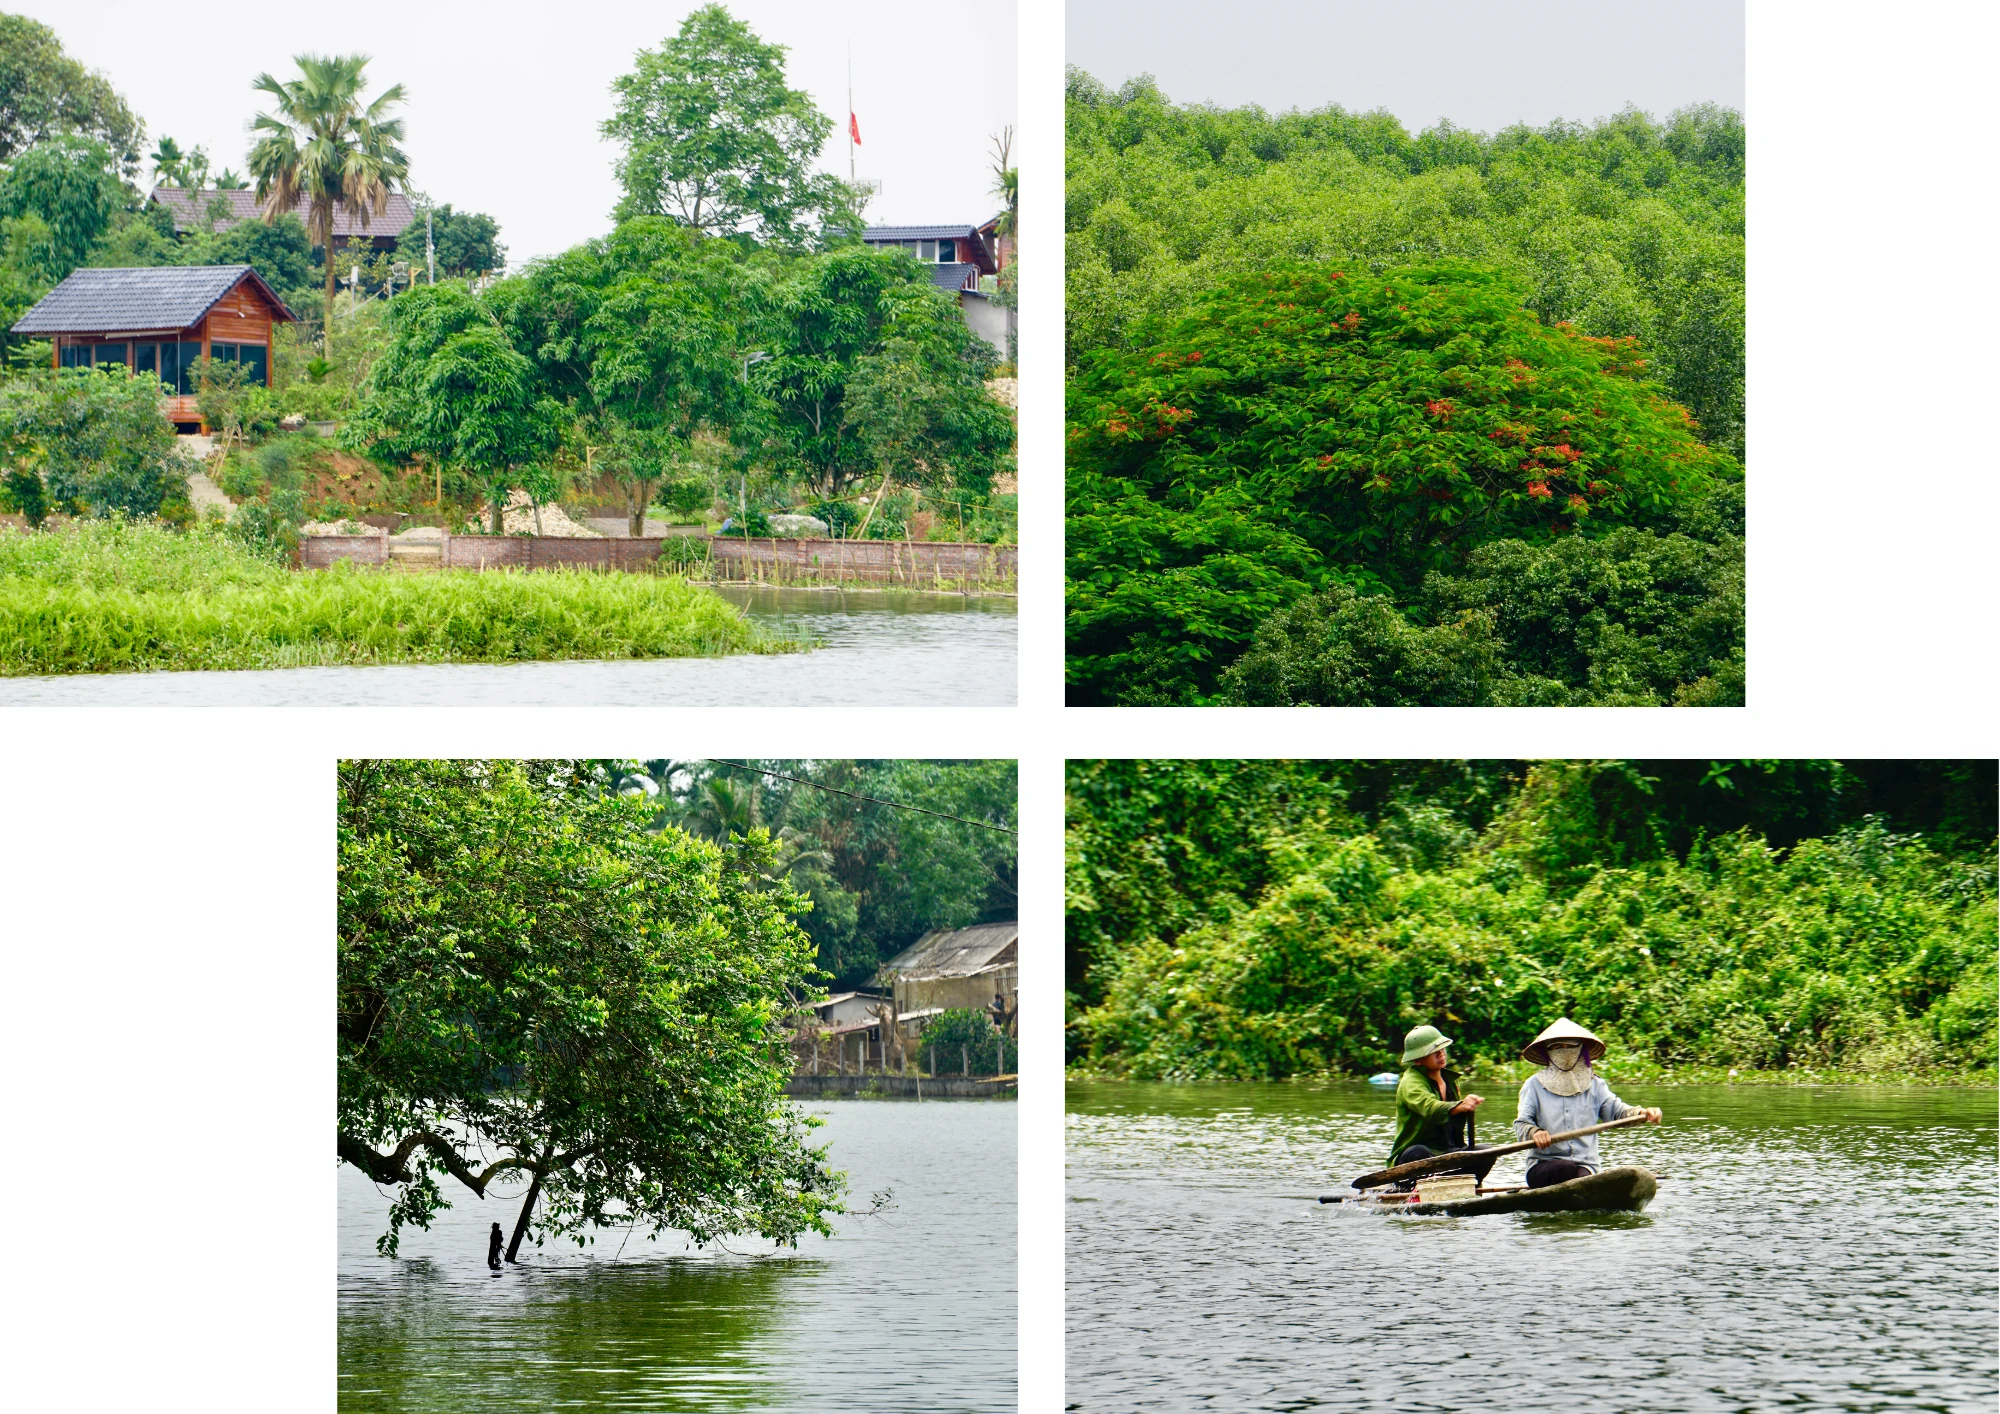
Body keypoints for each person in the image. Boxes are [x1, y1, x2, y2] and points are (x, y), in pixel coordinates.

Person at [1513, 1018, 1663, 1188]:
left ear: (1580, 1049)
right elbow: (1521, 1124)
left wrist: (1643, 1114)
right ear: (1547, 1052)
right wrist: (1534, 1132)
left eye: (1570, 1046)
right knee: (1565, 1169)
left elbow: (1617, 1112)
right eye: (1556, 1047)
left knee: (1581, 1178)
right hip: (1543, 1167)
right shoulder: (1533, 1086)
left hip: (1585, 1167)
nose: (1564, 1051)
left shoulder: (1595, 1085)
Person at [1387, 1024, 1499, 1185]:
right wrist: (1459, 1106)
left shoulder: (1450, 1081)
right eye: (1434, 1052)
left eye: (1442, 1049)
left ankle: (1463, 1186)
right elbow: (1429, 1108)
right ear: (1418, 1059)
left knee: (1486, 1153)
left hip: (1447, 1151)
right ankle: (1418, 1190)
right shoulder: (1411, 1082)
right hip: (1418, 1155)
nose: (1441, 1054)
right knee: (1418, 1153)